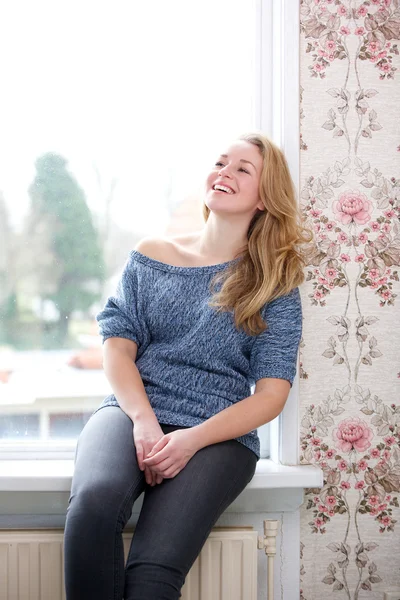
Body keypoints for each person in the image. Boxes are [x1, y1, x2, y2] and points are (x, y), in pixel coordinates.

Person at [63, 132, 313, 600]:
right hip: (132, 411)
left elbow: (271, 395)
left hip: (218, 436)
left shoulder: (275, 284)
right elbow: (117, 348)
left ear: (264, 199)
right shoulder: (153, 255)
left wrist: (190, 440)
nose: (225, 172)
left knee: (151, 574)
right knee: (92, 510)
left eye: (243, 169)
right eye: (221, 162)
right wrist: (143, 422)